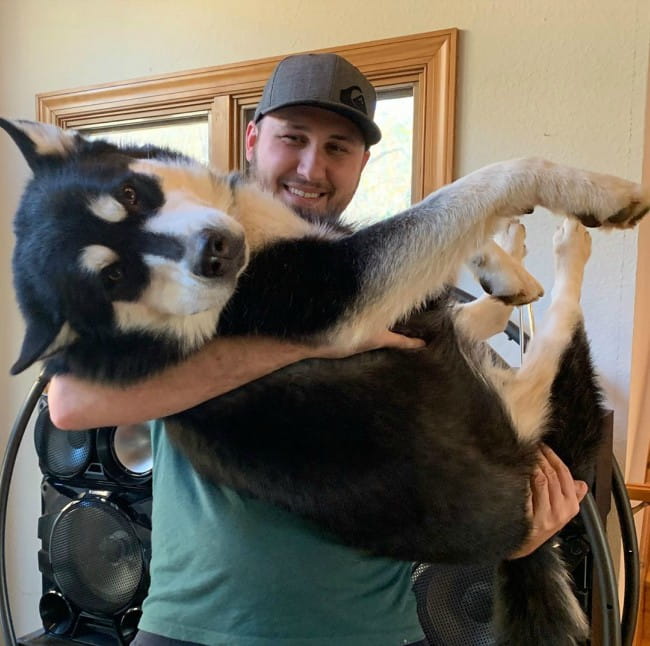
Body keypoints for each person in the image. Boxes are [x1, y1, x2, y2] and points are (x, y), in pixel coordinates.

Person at [48, 53, 588, 646]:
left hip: (371, 632)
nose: (312, 166)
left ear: (361, 163)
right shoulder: (186, 265)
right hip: (192, 632)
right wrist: (307, 343)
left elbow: (466, 442)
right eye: (293, 138)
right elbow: (72, 401)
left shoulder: (390, 286)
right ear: (254, 137)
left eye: (338, 148)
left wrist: (527, 526)